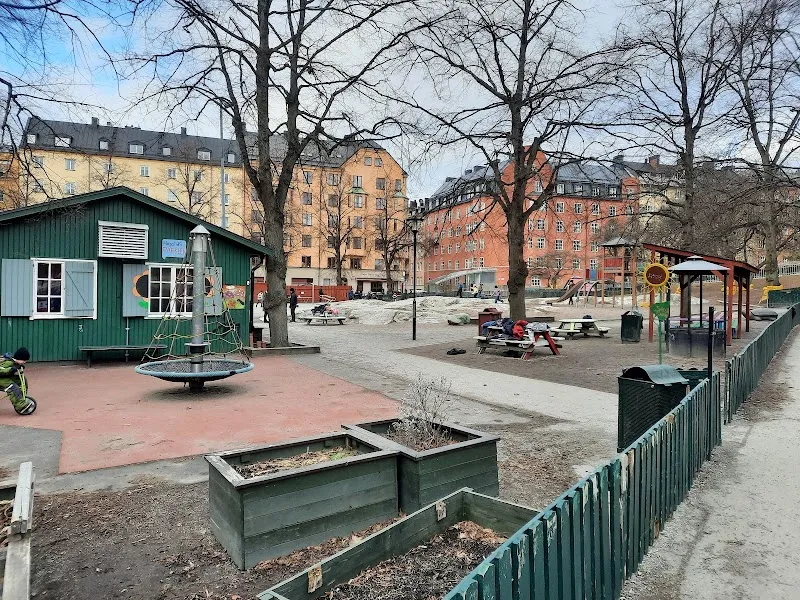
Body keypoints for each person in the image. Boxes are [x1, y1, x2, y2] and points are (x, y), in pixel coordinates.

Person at [1, 348, 35, 415]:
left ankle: (21, 398)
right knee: (13, 387)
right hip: (1, 379)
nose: (25, 362)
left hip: (4, 379)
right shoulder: (8, 362)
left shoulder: (15, 363)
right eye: (24, 360)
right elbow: (1, 370)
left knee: (21, 381)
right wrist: (10, 370)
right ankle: (21, 405)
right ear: (18, 358)